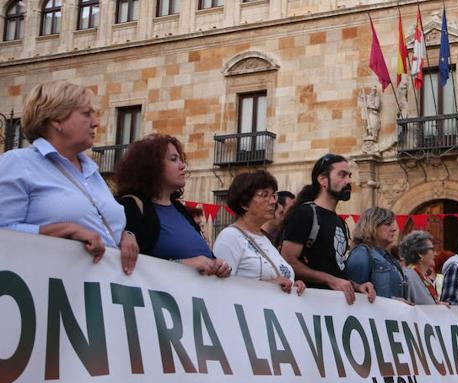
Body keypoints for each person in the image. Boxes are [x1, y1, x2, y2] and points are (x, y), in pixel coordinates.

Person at [0, 81, 138, 274]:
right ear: (57, 120)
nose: (96, 122)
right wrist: (64, 230)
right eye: (86, 113)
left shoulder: (92, 172)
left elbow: (102, 226)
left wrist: (125, 236)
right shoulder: (18, 163)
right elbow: (3, 232)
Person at [115, 134, 230, 277]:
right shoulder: (131, 206)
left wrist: (217, 264)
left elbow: (201, 257)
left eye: (181, 160)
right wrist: (183, 264)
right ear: (151, 166)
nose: (182, 166)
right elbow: (126, 263)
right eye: (174, 159)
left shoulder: (180, 210)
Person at [281, 153, 375, 304]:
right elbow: (287, 261)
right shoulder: (305, 214)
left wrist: (357, 286)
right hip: (309, 307)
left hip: (335, 309)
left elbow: (335, 268)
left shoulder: (340, 222)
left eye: (349, 175)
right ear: (323, 180)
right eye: (342, 175)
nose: (349, 181)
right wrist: (329, 280)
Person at [213, 171, 304, 295]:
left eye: (273, 195)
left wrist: (294, 285)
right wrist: (268, 286)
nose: (272, 201)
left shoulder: (265, 239)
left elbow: (280, 279)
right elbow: (219, 288)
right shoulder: (229, 237)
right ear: (244, 204)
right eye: (264, 195)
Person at [344, 207, 405, 300]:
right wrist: (393, 301)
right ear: (372, 226)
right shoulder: (361, 253)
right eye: (388, 224)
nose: (394, 229)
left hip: (392, 313)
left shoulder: (387, 257)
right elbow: (356, 295)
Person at [400, 230, 442, 305]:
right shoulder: (409, 277)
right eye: (432, 249)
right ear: (420, 254)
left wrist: (438, 306)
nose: (435, 253)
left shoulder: (425, 277)